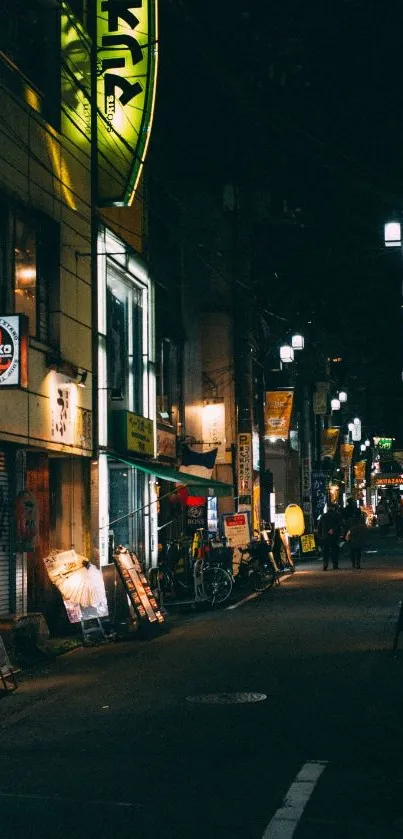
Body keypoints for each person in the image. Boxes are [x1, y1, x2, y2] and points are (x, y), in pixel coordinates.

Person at [318, 504, 343, 570]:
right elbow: (339, 525)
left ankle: (325, 565)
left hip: (325, 536)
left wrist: (320, 535)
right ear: (333, 509)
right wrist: (333, 530)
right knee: (334, 550)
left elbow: (319, 526)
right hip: (334, 536)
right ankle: (335, 565)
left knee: (325, 551)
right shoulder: (336, 515)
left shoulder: (323, 516)